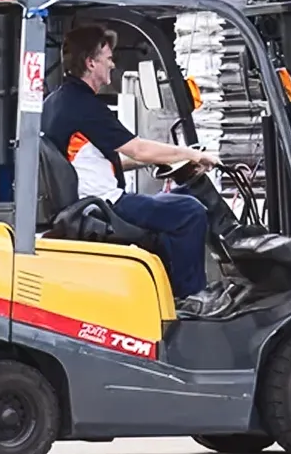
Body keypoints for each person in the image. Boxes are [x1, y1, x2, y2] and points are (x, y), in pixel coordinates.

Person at [40, 24, 222, 312]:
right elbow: (138, 147)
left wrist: (161, 160)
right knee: (190, 211)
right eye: (108, 58)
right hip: (104, 205)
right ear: (91, 63)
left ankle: (169, 293)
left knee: (177, 206)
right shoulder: (85, 106)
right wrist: (192, 155)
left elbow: (95, 160)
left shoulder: (57, 102)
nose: (112, 63)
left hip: (85, 201)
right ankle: (192, 297)